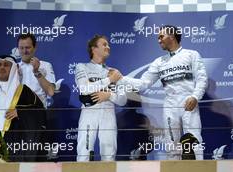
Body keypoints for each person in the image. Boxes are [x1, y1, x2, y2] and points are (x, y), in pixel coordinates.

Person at [119, 25, 208, 160]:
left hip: (188, 102)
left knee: (194, 142)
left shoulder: (192, 54)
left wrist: (195, 96)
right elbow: (143, 83)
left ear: (171, 36)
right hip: (170, 105)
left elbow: (202, 79)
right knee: (172, 146)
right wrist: (120, 78)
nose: (159, 40)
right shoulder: (159, 62)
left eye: (161, 36)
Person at [0, 55, 46, 161]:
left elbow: (40, 114)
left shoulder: (24, 92)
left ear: (13, 69)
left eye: (6, 65)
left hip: (18, 145)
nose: (2, 67)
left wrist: (20, 113)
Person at [75, 34, 126, 161]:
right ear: (94, 49)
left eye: (108, 44)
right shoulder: (82, 67)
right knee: (84, 153)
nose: (108, 47)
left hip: (108, 113)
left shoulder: (114, 71)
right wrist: (109, 80)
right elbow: (84, 88)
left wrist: (108, 95)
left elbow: (123, 100)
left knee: (109, 155)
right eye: (104, 44)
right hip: (89, 112)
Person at [17, 33, 56, 107]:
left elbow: (50, 92)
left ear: (34, 48)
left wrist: (36, 72)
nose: (24, 51)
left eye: (27, 47)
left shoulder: (45, 65)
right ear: (18, 49)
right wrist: (15, 78)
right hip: (17, 113)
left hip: (38, 112)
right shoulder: (14, 68)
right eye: (21, 48)